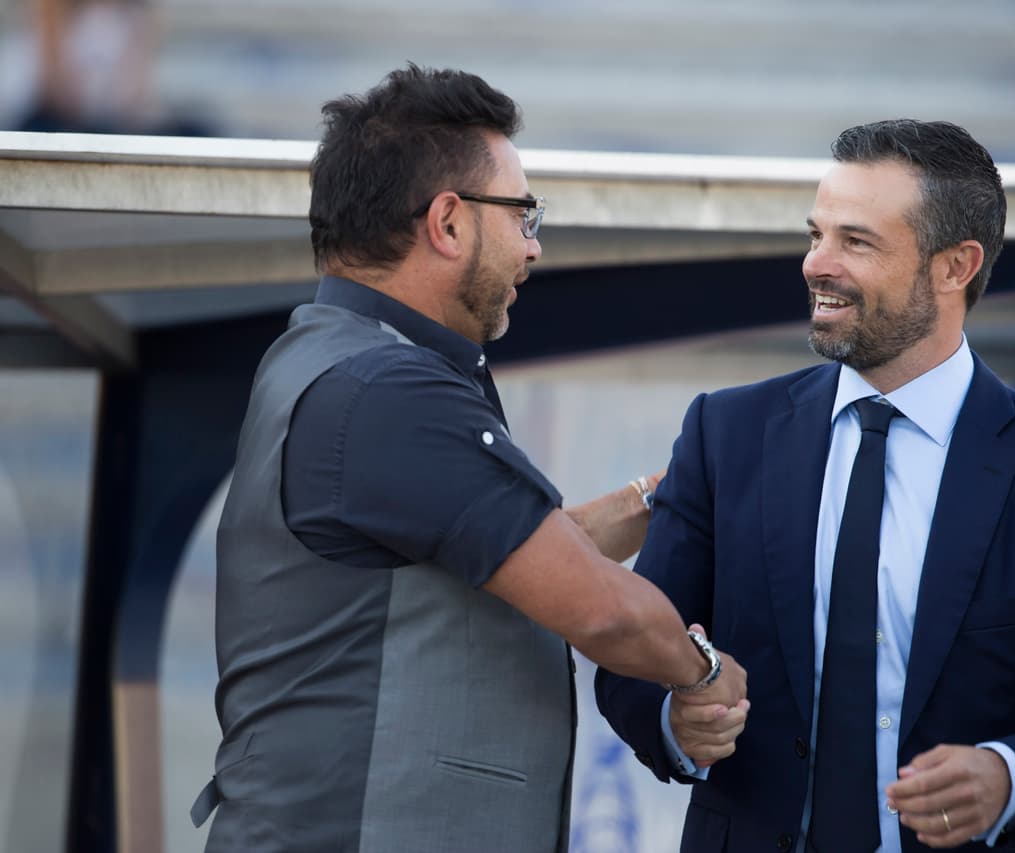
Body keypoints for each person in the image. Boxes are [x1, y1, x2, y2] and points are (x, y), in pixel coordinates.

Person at [190, 65, 746, 853]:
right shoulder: (387, 390)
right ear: (448, 222)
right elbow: (602, 608)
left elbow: (523, 557)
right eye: (523, 214)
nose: (534, 245)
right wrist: (704, 672)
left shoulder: (344, 362)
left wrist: (664, 497)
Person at [595, 119, 1015, 853]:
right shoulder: (726, 432)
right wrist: (674, 721)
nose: (816, 264)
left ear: (954, 266)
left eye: (855, 242)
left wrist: (1008, 772)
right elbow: (636, 653)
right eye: (816, 234)